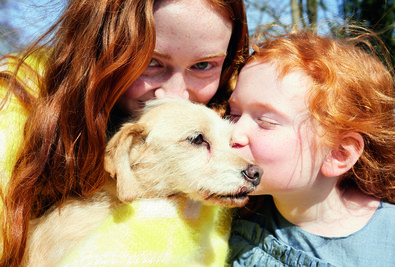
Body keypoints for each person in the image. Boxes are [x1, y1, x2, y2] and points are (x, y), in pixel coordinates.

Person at [0, 0, 249, 265]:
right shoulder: (14, 113)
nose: (177, 95)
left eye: (203, 65)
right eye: (151, 61)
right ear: (98, 48)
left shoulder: (241, 110)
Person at [227, 27, 395, 266]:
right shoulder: (229, 215)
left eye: (265, 121)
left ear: (338, 154)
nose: (233, 133)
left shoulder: (392, 239)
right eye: (233, 114)